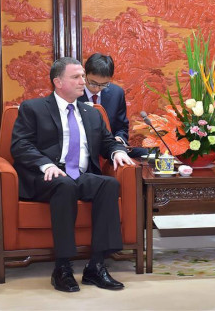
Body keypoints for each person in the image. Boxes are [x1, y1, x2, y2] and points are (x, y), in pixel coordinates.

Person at [11, 57, 135, 292]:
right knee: (64, 185)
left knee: (108, 185)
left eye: (82, 77)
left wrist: (117, 151)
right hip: (47, 177)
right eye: (76, 77)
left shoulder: (91, 113)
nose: (83, 82)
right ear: (58, 82)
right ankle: (62, 267)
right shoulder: (33, 108)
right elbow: (20, 145)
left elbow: (108, 142)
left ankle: (96, 266)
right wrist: (45, 164)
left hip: (79, 175)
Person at [78, 53, 148, 157]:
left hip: (110, 148)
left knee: (148, 154)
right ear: (85, 74)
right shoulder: (74, 93)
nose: (97, 89)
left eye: (103, 84)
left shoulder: (116, 93)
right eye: (93, 83)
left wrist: (119, 139)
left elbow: (122, 127)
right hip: (83, 148)